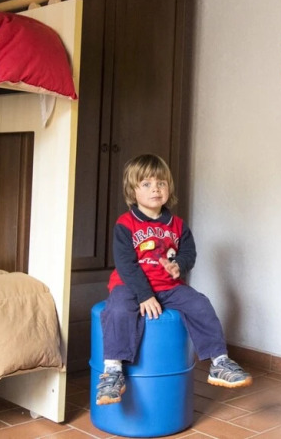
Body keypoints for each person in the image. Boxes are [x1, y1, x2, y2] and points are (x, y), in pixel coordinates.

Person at [96, 154, 252, 405]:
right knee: (118, 308)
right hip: (131, 285)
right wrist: (144, 294)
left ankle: (219, 362)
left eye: (161, 183)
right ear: (133, 190)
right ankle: (113, 370)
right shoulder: (125, 224)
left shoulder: (177, 225)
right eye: (146, 184)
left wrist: (179, 265)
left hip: (169, 286)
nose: (155, 189)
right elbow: (125, 264)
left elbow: (188, 253)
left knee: (200, 303)